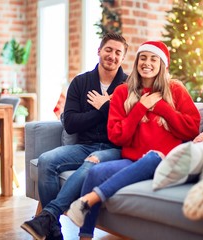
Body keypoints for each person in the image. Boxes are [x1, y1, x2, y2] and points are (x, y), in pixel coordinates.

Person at [66, 40, 201, 239]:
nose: (147, 63)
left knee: (154, 157)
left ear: (162, 64)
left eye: (153, 59)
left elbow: (191, 129)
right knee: (95, 173)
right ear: (137, 62)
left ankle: (88, 200)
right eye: (143, 58)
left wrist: (162, 108)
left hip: (165, 162)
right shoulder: (123, 92)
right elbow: (116, 135)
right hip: (132, 160)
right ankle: (84, 235)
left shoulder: (176, 90)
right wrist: (140, 109)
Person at [21, 33, 129, 240]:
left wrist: (103, 105)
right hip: (85, 145)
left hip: (115, 149)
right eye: (108, 50)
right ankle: (54, 231)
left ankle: (47, 217)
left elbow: (126, 124)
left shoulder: (129, 85)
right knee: (46, 161)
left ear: (123, 58)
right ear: (99, 51)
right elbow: (70, 124)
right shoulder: (80, 82)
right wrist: (103, 109)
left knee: (90, 164)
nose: (112, 56)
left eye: (118, 52)